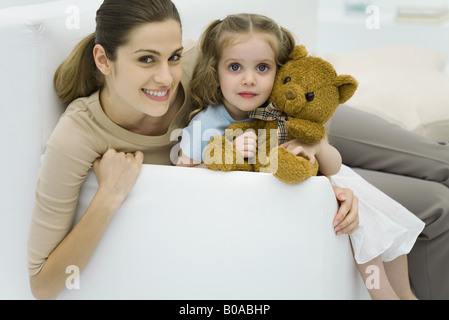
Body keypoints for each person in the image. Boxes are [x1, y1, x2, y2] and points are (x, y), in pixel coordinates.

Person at [27, 0, 359, 300]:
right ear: (104, 60)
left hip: (311, 123)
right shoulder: (77, 136)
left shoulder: (201, 66)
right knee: (414, 199)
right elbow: (42, 284)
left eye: (172, 56)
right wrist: (108, 197)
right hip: (262, 143)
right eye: (146, 59)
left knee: (411, 169)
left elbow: (294, 84)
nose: (166, 77)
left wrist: (331, 185)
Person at [177, 13, 425, 300]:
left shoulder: (286, 112)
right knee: (366, 236)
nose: (249, 79)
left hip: (324, 189)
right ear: (215, 71)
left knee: (384, 228)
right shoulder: (206, 124)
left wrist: (316, 147)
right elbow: (183, 177)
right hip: (279, 206)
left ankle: (405, 294)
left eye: (262, 68)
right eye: (234, 67)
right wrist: (227, 154)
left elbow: (334, 167)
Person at [328, 105, 449, 300]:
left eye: (263, 70)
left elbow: (329, 159)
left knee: (444, 163)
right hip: (272, 129)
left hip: (308, 99)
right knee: (439, 204)